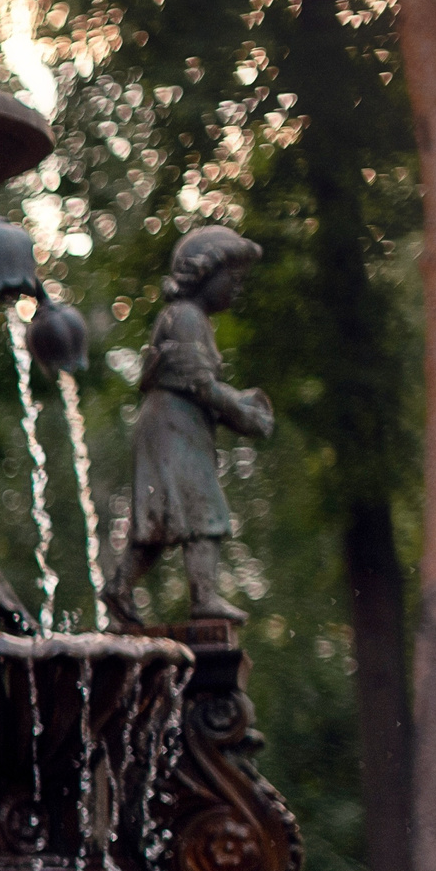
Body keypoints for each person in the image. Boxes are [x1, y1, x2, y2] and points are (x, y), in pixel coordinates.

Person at [104, 226, 272, 628]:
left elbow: (198, 384)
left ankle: (120, 588)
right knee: (203, 510)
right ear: (203, 275)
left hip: (174, 425)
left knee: (161, 517)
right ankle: (205, 598)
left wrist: (233, 406)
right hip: (172, 425)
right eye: (232, 279)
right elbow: (198, 382)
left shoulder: (188, 318)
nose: (238, 288)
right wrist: (242, 411)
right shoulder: (187, 317)